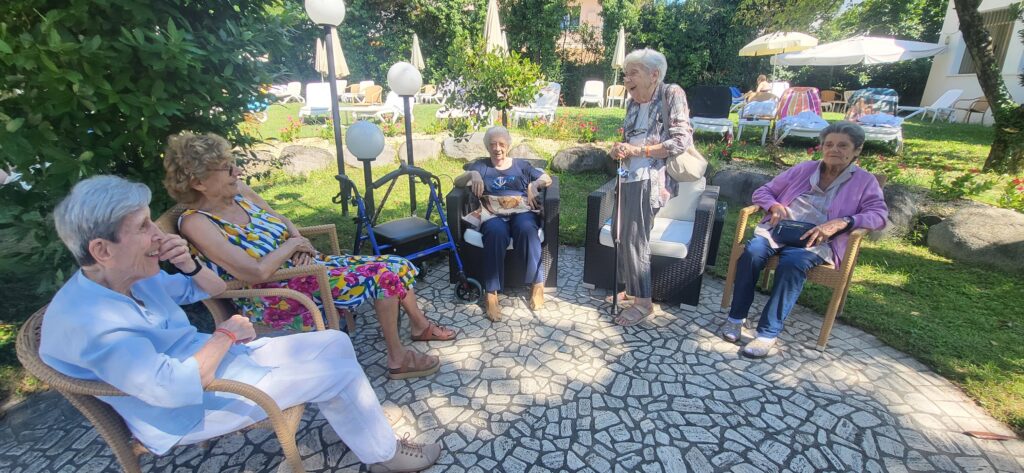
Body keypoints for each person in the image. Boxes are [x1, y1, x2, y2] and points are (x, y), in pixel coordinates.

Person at [39, 175, 442, 472]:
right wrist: (226, 334)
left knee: (335, 341)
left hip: (218, 364)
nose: (156, 234)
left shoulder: (132, 278)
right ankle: (384, 454)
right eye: (143, 227)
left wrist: (188, 263)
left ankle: (363, 426)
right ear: (101, 250)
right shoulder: (92, 322)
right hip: (189, 407)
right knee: (336, 374)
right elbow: (172, 388)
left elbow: (214, 287)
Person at [162, 132, 455, 381]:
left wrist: (298, 242)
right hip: (275, 292)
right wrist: (293, 247)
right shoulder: (197, 223)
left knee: (398, 263)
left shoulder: (240, 193)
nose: (236, 172)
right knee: (385, 276)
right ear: (199, 182)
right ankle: (397, 358)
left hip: (308, 268)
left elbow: (282, 219)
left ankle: (419, 325)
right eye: (227, 169)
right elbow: (255, 272)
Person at [720, 121, 888, 358]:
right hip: (780, 231)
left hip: (818, 241)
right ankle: (736, 318)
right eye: (829, 144)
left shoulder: (864, 181)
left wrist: (843, 222)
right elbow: (763, 191)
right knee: (752, 252)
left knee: (792, 264)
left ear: (857, 150)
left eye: (842, 145)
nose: (834, 149)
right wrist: (774, 205)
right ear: (822, 147)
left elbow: (879, 215)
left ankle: (767, 333)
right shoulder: (804, 169)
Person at [608, 48, 695, 326]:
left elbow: (680, 140)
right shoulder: (633, 103)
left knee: (635, 238)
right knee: (621, 233)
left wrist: (639, 151)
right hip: (628, 176)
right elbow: (629, 139)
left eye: (632, 73)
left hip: (651, 179)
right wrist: (619, 149)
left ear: (654, 75)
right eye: (625, 74)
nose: (626, 80)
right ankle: (630, 288)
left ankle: (643, 303)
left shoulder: (672, 93)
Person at [453, 126, 552, 321]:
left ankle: (537, 284)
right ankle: (491, 293)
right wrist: (472, 175)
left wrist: (534, 184)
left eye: (501, 144)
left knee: (526, 229)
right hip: (492, 213)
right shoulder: (481, 166)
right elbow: (457, 181)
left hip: (521, 210)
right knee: (495, 233)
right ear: (487, 147)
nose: (497, 148)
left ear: (508, 145)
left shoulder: (521, 166)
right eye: (492, 144)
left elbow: (546, 178)